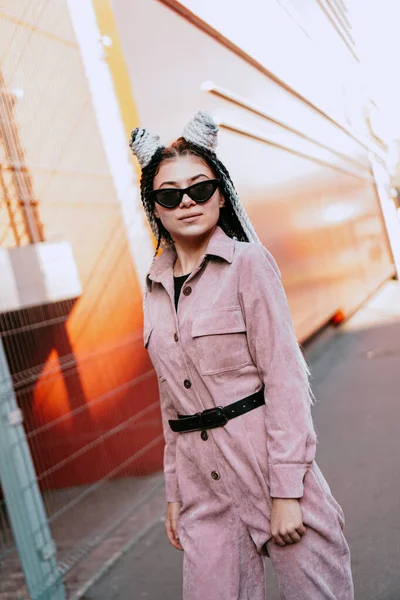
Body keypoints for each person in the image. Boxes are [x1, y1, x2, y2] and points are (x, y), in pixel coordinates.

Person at [129, 111, 354, 600]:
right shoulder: (153, 285)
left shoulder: (249, 265)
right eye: (170, 194)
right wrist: (175, 494)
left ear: (221, 192)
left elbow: (285, 378)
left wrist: (287, 492)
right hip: (201, 487)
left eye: (200, 188)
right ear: (156, 208)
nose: (186, 201)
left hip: (267, 467)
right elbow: (172, 403)